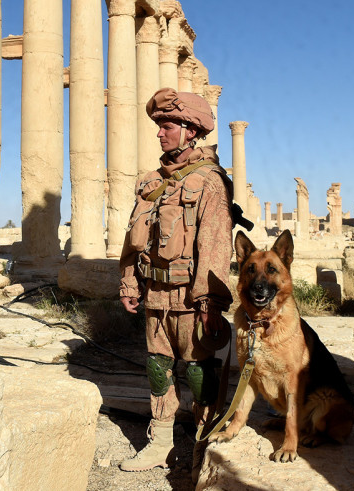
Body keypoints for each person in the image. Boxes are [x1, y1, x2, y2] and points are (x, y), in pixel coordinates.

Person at [119, 87, 234, 472]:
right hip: (154, 293)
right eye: (158, 126)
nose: (159, 133)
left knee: (200, 370)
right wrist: (129, 282)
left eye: (166, 125)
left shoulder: (209, 181)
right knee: (157, 366)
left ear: (189, 130)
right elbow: (133, 239)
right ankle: (161, 441)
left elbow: (216, 246)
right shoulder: (151, 182)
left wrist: (210, 302)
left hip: (190, 298)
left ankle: (205, 441)